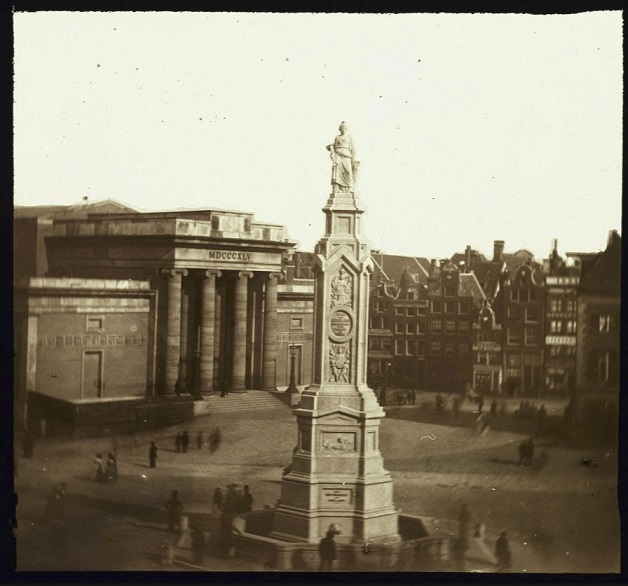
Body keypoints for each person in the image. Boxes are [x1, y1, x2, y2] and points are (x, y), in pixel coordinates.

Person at [326, 121, 358, 192]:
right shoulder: (337, 137)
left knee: (348, 171)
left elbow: (353, 148)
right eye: (342, 129)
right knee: (338, 173)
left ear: (346, 129)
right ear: (340, 129)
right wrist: (331, 147)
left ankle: (350, 187)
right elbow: (335, 146)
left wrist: (354, 158)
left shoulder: (349, 137)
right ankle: (338, 189)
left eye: (344, 129)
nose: (343, 130)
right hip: (338, 155)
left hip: (347, 155)